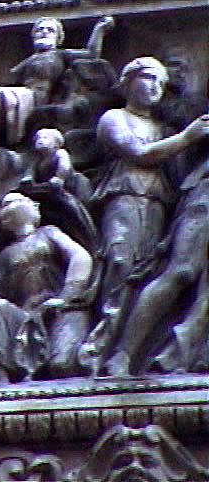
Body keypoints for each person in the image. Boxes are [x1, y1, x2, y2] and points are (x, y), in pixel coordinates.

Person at [90, 58, 209, 375]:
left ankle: (136, 352)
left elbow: (178, 172)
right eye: (148, 78)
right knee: (120, 263)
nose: (155, 87)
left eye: (161, 82)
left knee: (145, 270)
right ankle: (101, 348)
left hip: (158, 202)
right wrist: (188, 137)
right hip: (125, 197)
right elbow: (139, 154)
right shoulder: (115, 118)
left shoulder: (164, 129)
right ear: (127, 81)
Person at [0, 193, 93, 381]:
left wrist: (66, 296)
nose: (5, 208)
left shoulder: (48, 233)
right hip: (27, 317)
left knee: (62, 366)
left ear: (34, 207)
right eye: (2, 206)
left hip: (62, 308)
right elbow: (3, 294)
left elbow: (80, 257)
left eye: (13, 202)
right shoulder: (4, 255)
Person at [0, 16, 114, 147]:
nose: (44, 32)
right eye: (40, 30)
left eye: (50, 30)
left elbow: (91, 53)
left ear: (58, 38)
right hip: (24, 93)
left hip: (38, 96)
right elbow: (13, 76)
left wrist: (99, 30)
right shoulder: (30, 60)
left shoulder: (60, 54)